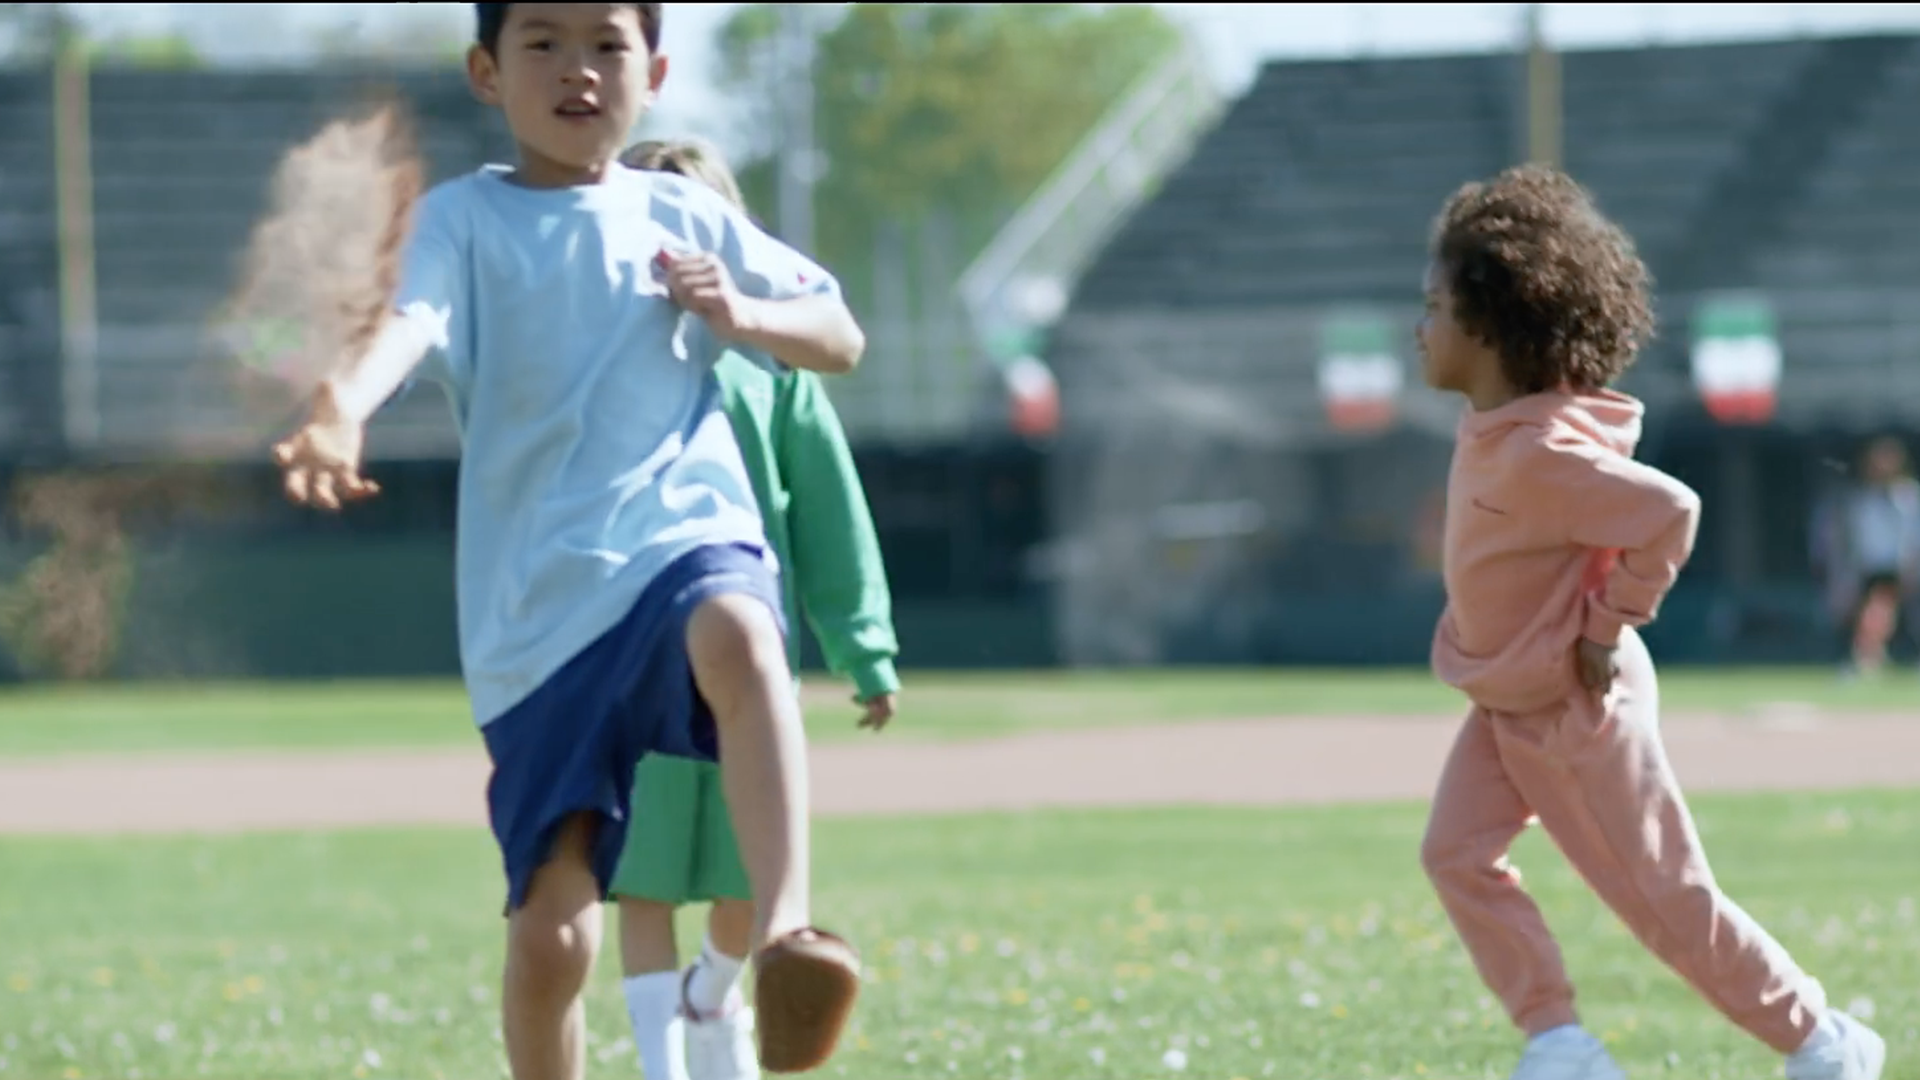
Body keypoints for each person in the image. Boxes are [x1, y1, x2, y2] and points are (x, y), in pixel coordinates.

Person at [268, 5, 864, 1079]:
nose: (577, 69)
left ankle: (785, 937)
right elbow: (406, 325)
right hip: (537, 619)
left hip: (680, 540)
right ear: (487, 73)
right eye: (543, 42)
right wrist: (342, 404)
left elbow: (838, 332)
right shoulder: (462, 223)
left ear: (657, 71)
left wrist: (742, 316)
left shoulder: (686, 214)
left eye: (607, 44)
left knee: (739, 629)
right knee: (555, 942)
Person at [1413, 164, 1886, 1080]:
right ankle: (1560, 1043)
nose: (1418, 328)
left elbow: (1669, 512)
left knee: (1661, 898)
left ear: (1491, 324)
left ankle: (1824, 1043)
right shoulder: (1498, 427)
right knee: (1455, 855)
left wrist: (1604, 628)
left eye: (1433, 305)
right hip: (1505, 700)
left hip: (1573, 705)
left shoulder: (1546, 451)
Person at [607, 137, 902, 1080]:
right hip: (633, 650)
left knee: (745, 877)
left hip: (746, 657)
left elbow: (830, 513)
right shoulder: (603, 367)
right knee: (642, 874)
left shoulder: (776, 370)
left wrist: (866, 649)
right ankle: (664, 1062)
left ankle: (714, 994)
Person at [1809, 436, 1920, 678]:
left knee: (1880, 611)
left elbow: (1912, 534)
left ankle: (1867, 657)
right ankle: (1868, 656)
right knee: (1865, 614)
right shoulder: (1856, 497)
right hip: (1865, 566)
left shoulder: (1908, 496)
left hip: (1899, 565)